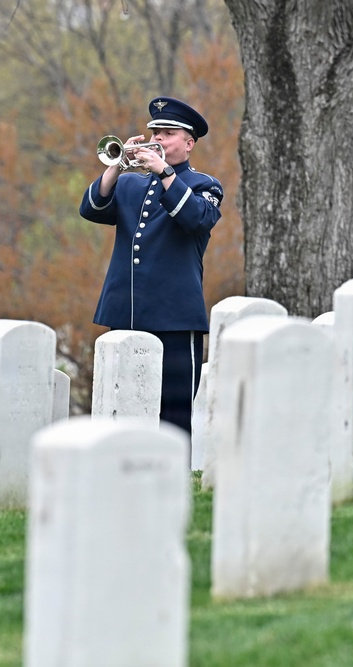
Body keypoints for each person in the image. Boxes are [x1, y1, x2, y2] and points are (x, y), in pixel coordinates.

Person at [78, 96, 224, 434]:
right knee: (121, 410)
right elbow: (91, 209)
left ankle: (174, 481)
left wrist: (166, 173)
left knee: (172, 415)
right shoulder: (130, 183)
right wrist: (116, 165)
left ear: (188, 143)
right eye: (154, 132)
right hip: (126, 312)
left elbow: (197, 219)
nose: (156, 138)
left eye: (167, 133)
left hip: (175, 317)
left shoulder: (204, 185)